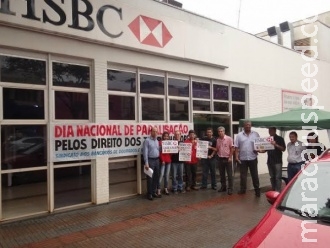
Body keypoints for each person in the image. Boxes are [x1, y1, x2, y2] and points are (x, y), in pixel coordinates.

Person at [234, 121, 261, 197]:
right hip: (243, 159)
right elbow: (236, 147)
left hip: (253, 158)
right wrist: (236, 157)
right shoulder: (239, 135)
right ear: (244, 126)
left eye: (249, 125)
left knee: (254, 175)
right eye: (246, 125)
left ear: (251, 126)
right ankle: (243, 190)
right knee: (243, 176)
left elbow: (259, 145)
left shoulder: (256, 134)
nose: (248, 126)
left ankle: (257, 190)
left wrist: (259, 150)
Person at [143, 126, 161, 200]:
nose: (155, 133)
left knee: (156, 177)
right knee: (150, 178)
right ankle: (149, 193)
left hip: (157, 160)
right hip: (150, 160)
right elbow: (145, 152)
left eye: (156, 131)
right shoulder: (147, 141)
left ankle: (153, 192)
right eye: (154, 131)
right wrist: (146, 162)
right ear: (151, 132)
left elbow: (158, 150)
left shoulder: (157, 141)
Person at [266, 127, 286, 192]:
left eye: (271, 130)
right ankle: (274, 189)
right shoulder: (267, 139)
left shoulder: (280, 139)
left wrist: (276, 145)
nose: (270, 132)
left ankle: (278, 191)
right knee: (272, 177)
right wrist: (259, 150)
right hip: (270, 161)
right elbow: (265, 149)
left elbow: (283, 149)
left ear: (275, 131)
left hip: (278, 161)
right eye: (269, 130)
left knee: (278, 177)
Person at [216, 126, 234, 195]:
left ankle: (230, 188)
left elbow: (232, 148)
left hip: (227, 159)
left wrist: (230, 157)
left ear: (224, 132)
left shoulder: (229, 139)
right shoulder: (218, 140)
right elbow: (217, 148)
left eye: (221, 131)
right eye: (219, 131)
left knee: (229, 175)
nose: (220, 133)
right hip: (220, 159)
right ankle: (223, 187)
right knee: (222, 174)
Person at [171, 130, 185, 194]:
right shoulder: (172, 143)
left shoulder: (183, 143)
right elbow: (169, 152)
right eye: (176, 134)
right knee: (174, 176)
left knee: (180, 175)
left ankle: (180, 187)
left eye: (178, 134)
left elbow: (186, 152)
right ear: (174, 135)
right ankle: (174, 188)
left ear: (180, 135)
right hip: (174, 161)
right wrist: (175, 150)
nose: (177, 135)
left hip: (181, 161)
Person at [157, 131, 171, 195]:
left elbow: (171, 153)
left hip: (168, 161)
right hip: (162, 161)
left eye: (167, 136)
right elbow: (159, 153)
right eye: (165, 136)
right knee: (161, 175)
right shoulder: (160, 143)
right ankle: (158, 189)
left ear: (168, 137)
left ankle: (165, 188)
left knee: (167, 175)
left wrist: (176, 150)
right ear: (163, 136)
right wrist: (162, 160)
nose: (166, 137)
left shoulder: (170, 143)